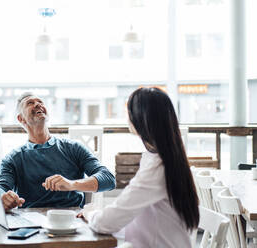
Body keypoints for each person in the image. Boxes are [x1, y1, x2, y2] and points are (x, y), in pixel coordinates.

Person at [79, 87, 199, 248]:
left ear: (141, 118)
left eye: (128, 111)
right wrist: (99, 217)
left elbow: (106, 223)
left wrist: (91, 214)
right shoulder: (166, 158)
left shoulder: (157, 168)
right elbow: (133, 218)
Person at [0, 92, 116, 210]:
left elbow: (109, 179)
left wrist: (71, 184)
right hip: (31, 223)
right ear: (21, 119)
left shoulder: (73, 148)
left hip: (71, 220)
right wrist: (3, 198)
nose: (38, 104)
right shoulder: (13, 159)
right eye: (30, 103)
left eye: (40, 102)